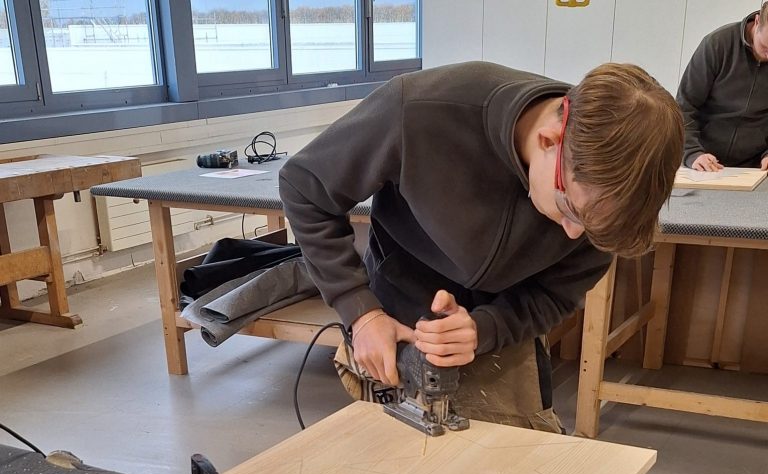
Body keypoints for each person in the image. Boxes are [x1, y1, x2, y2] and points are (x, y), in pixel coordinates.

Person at [279, 61, 683, 432]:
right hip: (395, 314)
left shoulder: (605, 196)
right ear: (549, 140)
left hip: (503, 330)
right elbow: (304, 188)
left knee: (506, 469)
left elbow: (555, 294)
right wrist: (360, 311)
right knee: (392, 458)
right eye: (568, 209)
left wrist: (485, 329)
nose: (574, 234)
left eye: (590, 227)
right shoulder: (421, 110)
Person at [677, 6, 768, 172]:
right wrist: (691, 152)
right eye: (765, 47)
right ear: (757, 21)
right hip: (704, 161)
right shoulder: (717, 44)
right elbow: (685, 106)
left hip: (755, 169)